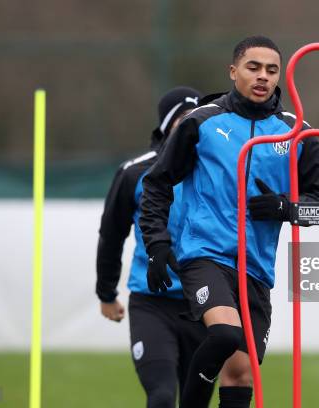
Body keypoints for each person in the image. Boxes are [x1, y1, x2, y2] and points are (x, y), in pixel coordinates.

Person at [139, 36, 319, 408]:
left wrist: (286, 208)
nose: (262, 76)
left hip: (256, 268)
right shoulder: (202, 123)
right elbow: (157, 183)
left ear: (280, 77)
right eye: (253, 67)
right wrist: (158, 244)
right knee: (226, 334)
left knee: (241, 373)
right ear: (233, 71)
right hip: (205, 254)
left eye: (272, 70)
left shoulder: (297, 132)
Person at [96, 86, 214, 408]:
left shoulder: (220, 172)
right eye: (184, 120)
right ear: (167, 126)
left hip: (205, 306)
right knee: (161, 397)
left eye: (199, 119)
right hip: (152, 305)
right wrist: (106, 293)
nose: (193, 127)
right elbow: (111, 235)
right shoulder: (135, 173)